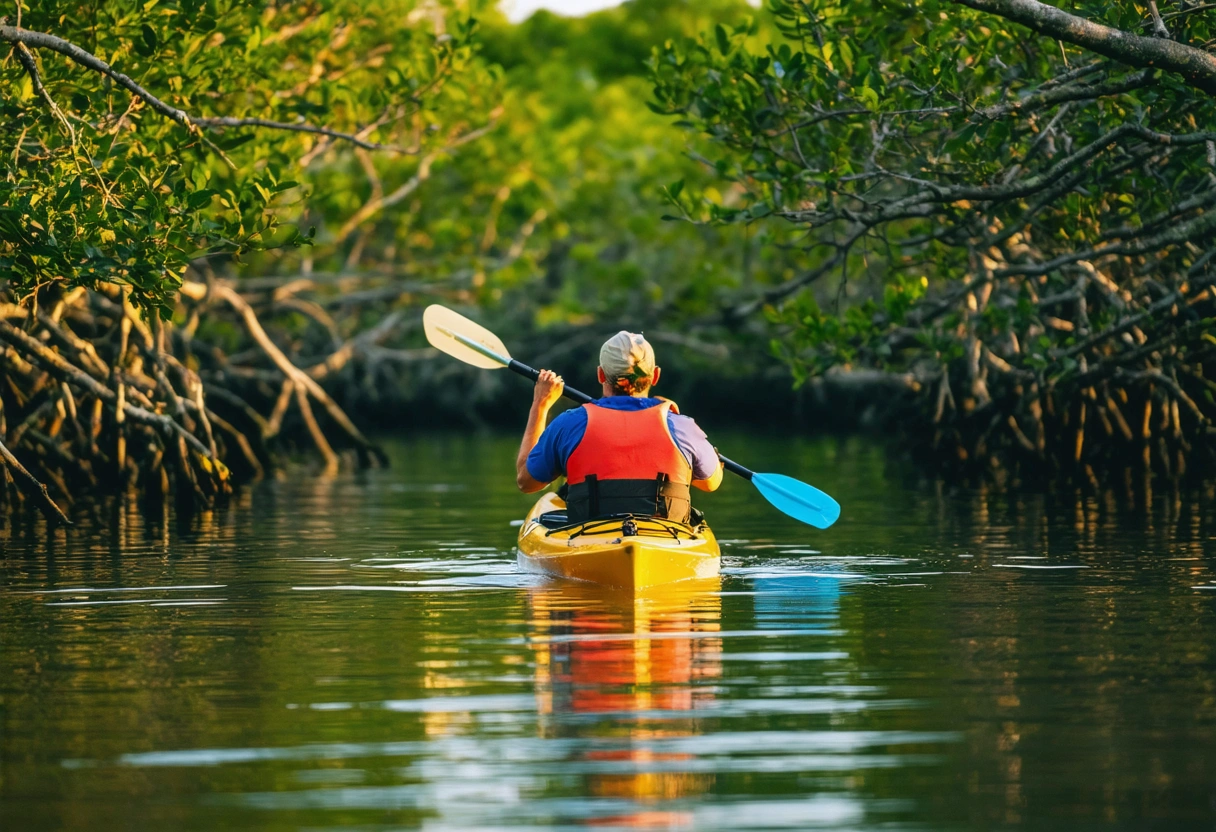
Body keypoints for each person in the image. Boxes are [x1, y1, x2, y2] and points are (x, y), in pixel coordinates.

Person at [515, 330, 723, 525]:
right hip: (666, 535)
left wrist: (540, 405)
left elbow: (526, 482)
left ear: (601, 375)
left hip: (590, 536)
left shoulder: (569, 424)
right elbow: (710, 483)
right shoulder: (682, 426)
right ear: (655, 376)